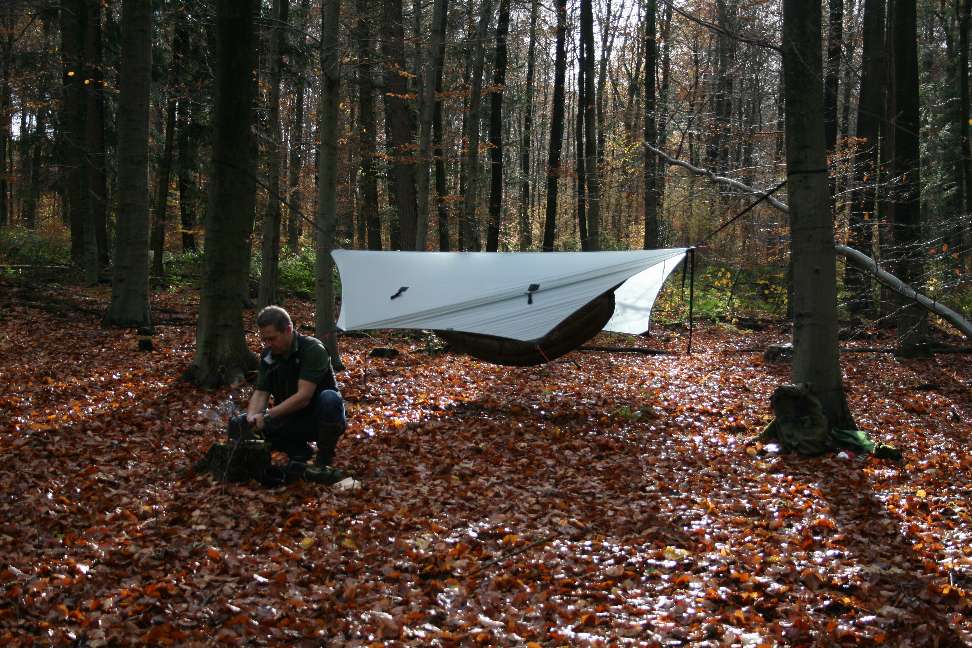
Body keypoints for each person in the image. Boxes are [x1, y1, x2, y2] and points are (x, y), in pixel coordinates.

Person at [244, 305, 346, 479]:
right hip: (288, 418)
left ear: (288, 330)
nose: (268, 344)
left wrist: (267, 415)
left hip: (317, 418)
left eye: (272, 338)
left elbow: (303, 397)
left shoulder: (313, 349)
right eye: (264, 339)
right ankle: (298, 452)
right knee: (244, 423)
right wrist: (252, 417)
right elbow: (261, 392)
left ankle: (323, 460)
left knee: (330, 398)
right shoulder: (268, 356)